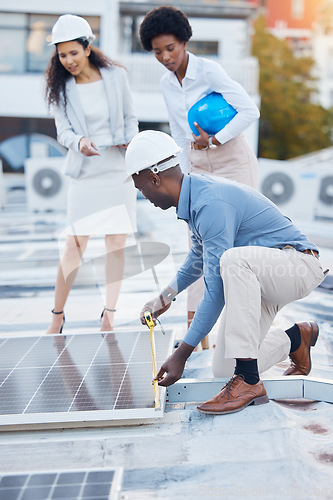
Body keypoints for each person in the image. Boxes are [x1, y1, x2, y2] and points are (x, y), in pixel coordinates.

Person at [124, 130, 327, 416]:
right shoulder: (194, 200)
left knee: (231, 261)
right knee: (222, 369)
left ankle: (248, 381)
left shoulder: (210, 203)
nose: (144, 197)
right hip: (264, 274)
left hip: (296, 266)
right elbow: (198, 258)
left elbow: (216, 287)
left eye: (142, 189)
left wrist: (182, 354)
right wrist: (165, 297)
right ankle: (297, 338)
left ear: (155, 179)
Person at [139, 6, 260, 345]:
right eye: (157, 51)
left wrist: (216, 139)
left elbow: (250, 110)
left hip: (233, 160)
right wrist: (184, 175)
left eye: (170, 48)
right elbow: (179, 135)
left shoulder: (209, 71)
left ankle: (239, 330)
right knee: (199, 243)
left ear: (184, 42)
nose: (165, 57)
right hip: (197, 164)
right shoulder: (166, 84)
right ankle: (199, 335)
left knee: (236, 248)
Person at [45, 14, 138, 334]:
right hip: (85, 174)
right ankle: (57, 316)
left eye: (73, 52)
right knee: (74, 246)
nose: (68, 60)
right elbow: (63, 132)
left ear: (87, 47)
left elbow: (131, 118)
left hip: (117, 171)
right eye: (62, 54)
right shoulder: (60, 87)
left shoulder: (115, 76)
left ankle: (109, 315)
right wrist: (79, 141)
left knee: (115, 244)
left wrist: (129, 139)